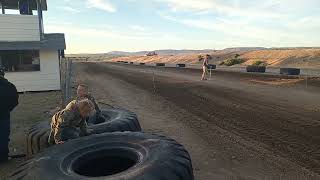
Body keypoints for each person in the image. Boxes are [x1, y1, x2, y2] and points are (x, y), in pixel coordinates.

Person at [0, 66, 19, 163]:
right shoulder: (10, 86)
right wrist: (7, 109)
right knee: (3, 137)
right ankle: (3, 158)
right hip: (4, 116)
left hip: (4, 115)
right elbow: (15, 101)